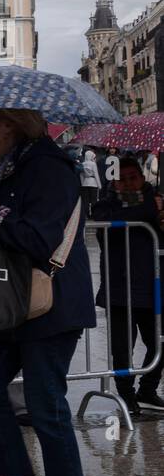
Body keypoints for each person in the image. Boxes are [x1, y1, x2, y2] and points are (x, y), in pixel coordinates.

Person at [0, 108, 97, 476]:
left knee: (44, 402)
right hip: (12, 301)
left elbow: (41, 241)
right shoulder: (7, 165)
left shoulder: (49, 167)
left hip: (52, 302)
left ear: (10, 123)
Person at [90, 156, 164, 416]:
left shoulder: (156, 204)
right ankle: (127, 395)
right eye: (123, 179)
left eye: (134, 178)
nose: (129, 183)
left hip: (151, 288)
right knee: (123, 348)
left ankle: (147, 388)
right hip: (119, 290)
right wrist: (146, 208)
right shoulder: (104, 206)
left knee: (159, 343)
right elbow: (110, 223)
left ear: (143, 178)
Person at [79, 149, 101, 217]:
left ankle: (86, 214)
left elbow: (81, 175)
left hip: (85, 183)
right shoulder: (93, 164)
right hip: (93, 183)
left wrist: (82, 183)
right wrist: (99, 185)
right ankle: (94, 214)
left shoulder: (82, 164)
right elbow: (96, 174)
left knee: (86, 200)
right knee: (94, 200)